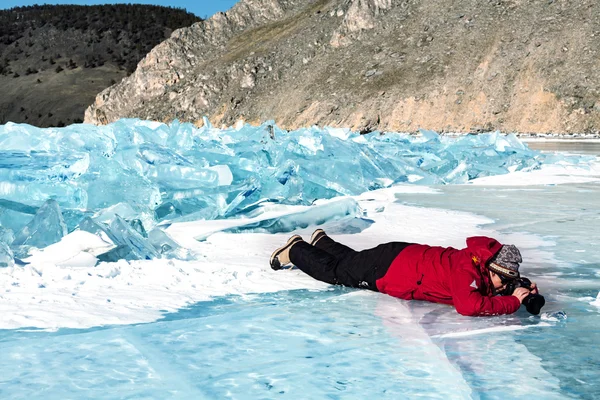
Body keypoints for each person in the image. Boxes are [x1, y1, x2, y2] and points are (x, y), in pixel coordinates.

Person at [270, 230, 539, 316]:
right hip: (391, 270)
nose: (503, 284)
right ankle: (296, 250)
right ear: (490, 266)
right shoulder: (466, 269)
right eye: (503, 278)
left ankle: (321, 243)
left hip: (401, 256)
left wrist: (512, 287)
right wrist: (513, 300)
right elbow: (468, 305)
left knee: (353, 262)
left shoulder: (477, 262)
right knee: (339, 274)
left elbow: (482, 286)